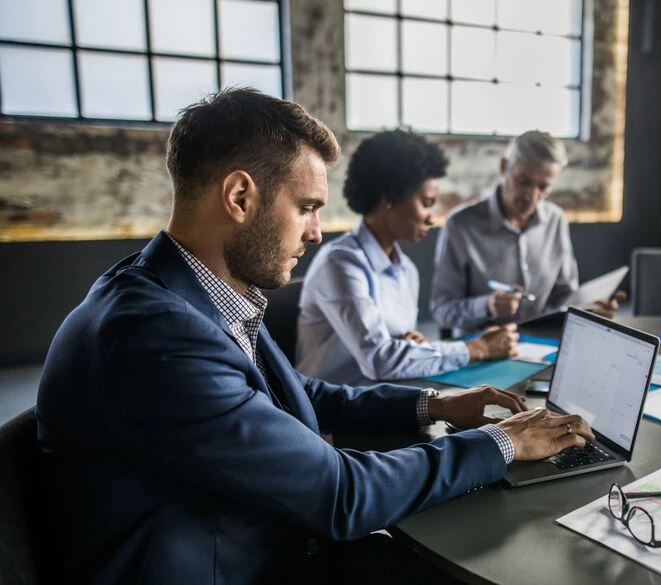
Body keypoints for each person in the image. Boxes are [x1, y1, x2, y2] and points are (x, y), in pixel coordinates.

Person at [35, 88, 593, 585]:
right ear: (239, 196)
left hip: (259, 541)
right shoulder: (154, 336)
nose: (316, 232)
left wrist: (434, 403)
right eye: (305, 208)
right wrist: (503, 442)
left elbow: (294, 392)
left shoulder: (189, 291)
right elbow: (341, 494)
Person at [296, 130, 518, 385]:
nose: (431, 218)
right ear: (389, 198)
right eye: (426, 203)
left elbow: (394, 349)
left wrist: (414, 345)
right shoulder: (339, 264)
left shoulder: (406, 271)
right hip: (329, 405)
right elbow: (380, 359)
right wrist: (478, 348)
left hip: (384, 395)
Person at [430, 130, 622, 337]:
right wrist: (487, 306)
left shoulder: (555, 220)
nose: (532, 195)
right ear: (503, 166)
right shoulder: (460, 225)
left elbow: (563, 297)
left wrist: (591, 310)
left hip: (543, 342)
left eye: (543, 187)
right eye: (524, 181)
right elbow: (441, 311)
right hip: (481, 347)